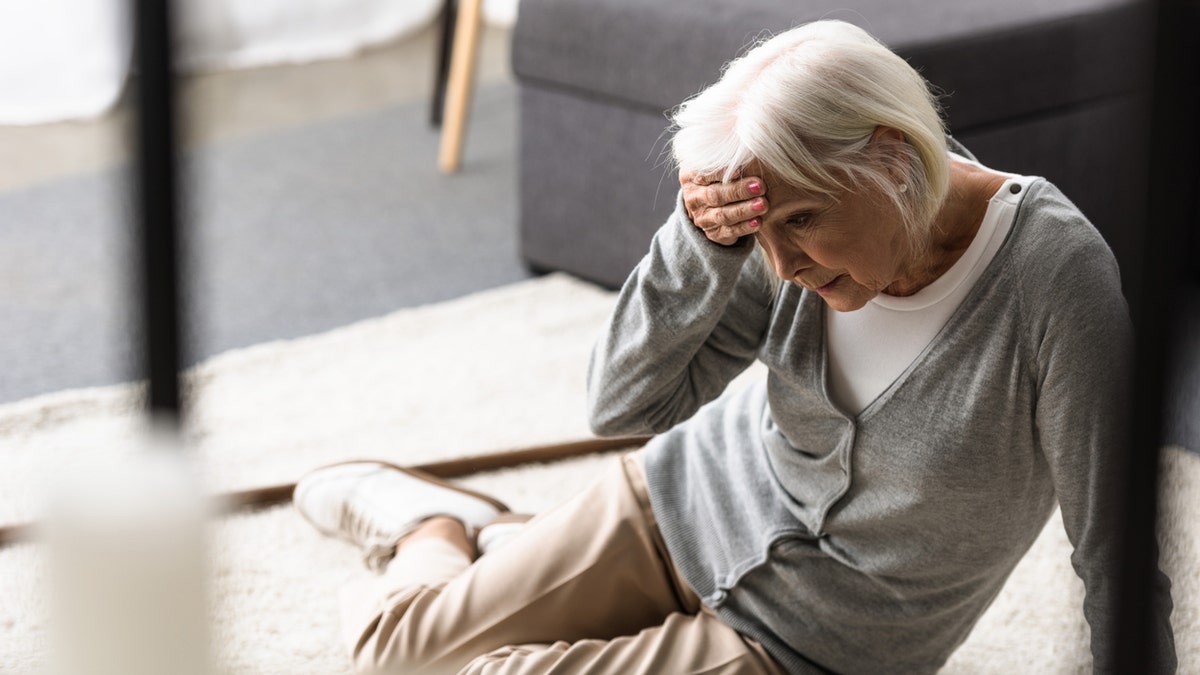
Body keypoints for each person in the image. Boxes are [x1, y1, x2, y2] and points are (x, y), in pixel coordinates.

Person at [293, 20, 1177, 674]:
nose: (785, 264)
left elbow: (1115, 547)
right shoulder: (775, 229)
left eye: (803, 223)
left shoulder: (1054, 278)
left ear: (896, 162)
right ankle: (441, 527)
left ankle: (496, 541)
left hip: (800, 646)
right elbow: (624, 407)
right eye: (765, 232)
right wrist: (700, 241)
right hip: (676, 501)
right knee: (393, 651)